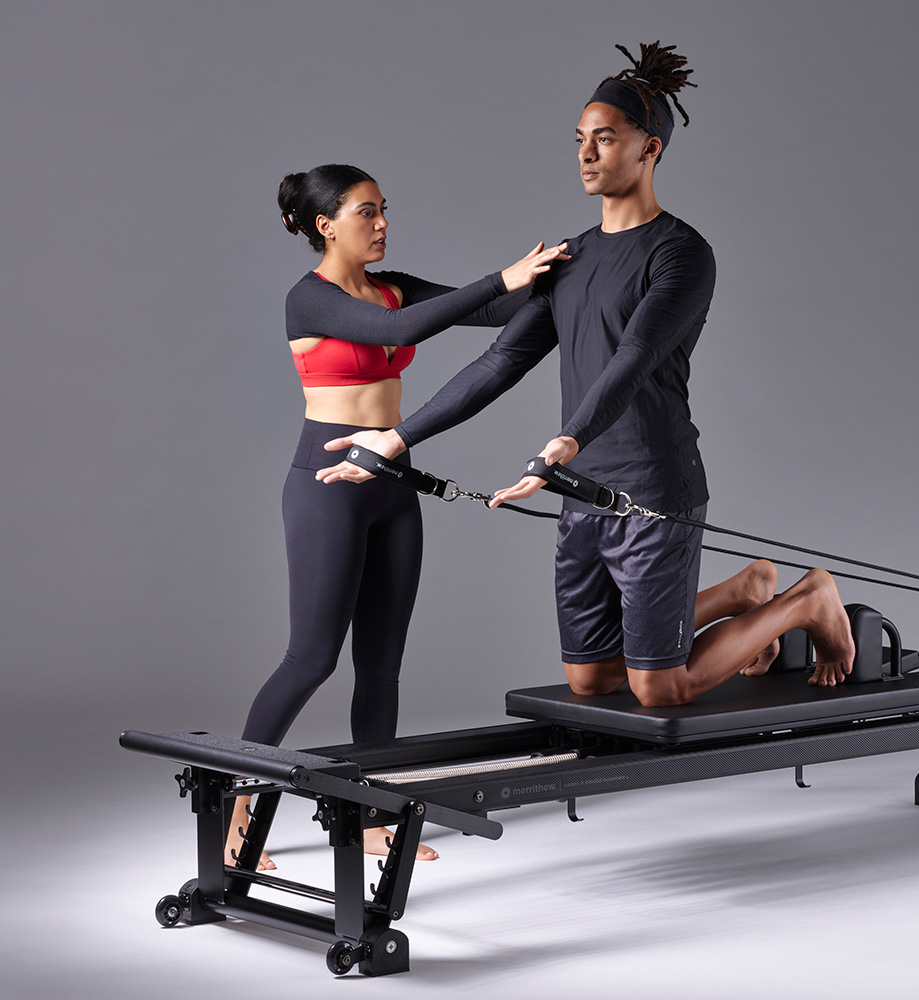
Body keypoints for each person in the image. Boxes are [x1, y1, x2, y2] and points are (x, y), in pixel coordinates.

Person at [317, 44, 855, 709]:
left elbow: (635, 357)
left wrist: (564, 442)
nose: (586, 154)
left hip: (652, 486)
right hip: (578, 492)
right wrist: (396, 441)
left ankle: (805, 600)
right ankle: (743, 592)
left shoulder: (681, 253)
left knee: (659, 688)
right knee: (591, 680)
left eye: (605, 138)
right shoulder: (570, 260)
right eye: (579, 140)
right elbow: (502, 359)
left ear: (649, 149)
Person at [229, 164, 567, 871]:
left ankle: (372, 816)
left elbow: (491, 313)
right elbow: (400, 327)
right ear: (326, 225)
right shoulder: (310, 299)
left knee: (381, 667)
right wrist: (503, 276)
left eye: (384, 211)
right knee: (311, 658)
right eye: (366, 212)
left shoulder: (390, 282)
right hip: (326, 486)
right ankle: (233, 812)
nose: (381, 223)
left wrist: (569, 276)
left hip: (392, 484)